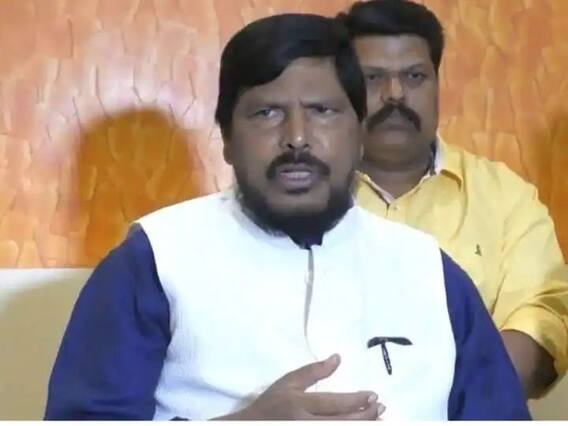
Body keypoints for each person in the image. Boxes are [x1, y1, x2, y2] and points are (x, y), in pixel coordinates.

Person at [44, 13, 530, 420]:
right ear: (227, 139)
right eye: (267, 113)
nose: (297, 138)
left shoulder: (429, 271)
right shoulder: (153, 262)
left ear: (359, 133)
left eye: (322, 111)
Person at [338, 0, 568, 398]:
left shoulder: (504, 196)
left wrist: (463, 401)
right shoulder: (301, 197)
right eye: (373, 78)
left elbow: (543, 310)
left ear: (437, 83)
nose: (395, 94)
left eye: (414, 76)